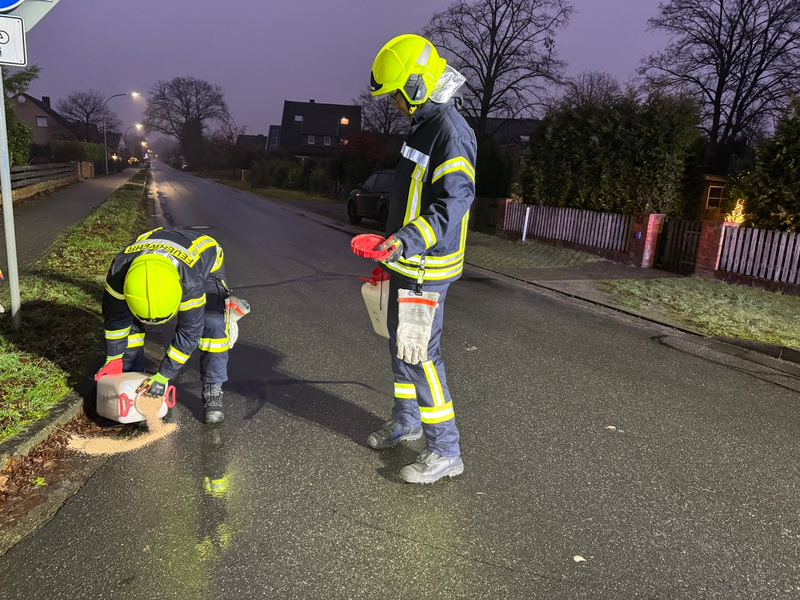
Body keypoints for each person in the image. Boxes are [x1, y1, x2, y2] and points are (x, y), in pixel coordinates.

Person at [366, 34, 477, 484]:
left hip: (426, 268)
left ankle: (446, 450)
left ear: (415, 86)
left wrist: (407, 241)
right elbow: (412, 198)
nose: (393, 103)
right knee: (401, 346)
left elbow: (454, 203)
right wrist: (390, 251)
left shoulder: (451, 132)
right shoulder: (425, 124)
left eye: (395, 94)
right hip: (405, 262)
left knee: (420, 356)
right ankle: (407, 422)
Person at [94, 227, 230, 424]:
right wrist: (114, 357)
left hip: (205, 264)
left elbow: (189, 332)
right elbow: (116, 319)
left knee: (213, 324)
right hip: (150, 256)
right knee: (130, 327)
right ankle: (134, 382)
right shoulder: (119, 273)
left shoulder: (190, 283)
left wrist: (164, 375)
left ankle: (212, 391)